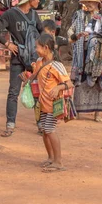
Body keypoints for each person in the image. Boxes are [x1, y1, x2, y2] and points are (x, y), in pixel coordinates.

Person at [0, 0, 44, 137]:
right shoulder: (11, 14)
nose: (38, 1)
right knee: (13, 92)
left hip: (34, 61)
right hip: (17, 59)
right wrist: (7, 43)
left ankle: (40, 124)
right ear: (30, 0)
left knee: (37, 93)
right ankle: (10, 125)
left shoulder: (34, 15)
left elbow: (42, 34)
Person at [30, 33, 73, 173]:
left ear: (46, 48)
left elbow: (69, 83)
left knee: (49, 130)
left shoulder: (57, 65)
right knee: (45, 130)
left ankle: (58, 162)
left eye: (37, 47)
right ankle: (51, 158)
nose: (35, 49)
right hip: (42, 103)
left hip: (54, 104)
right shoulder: (39, 62)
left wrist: (58, 87)